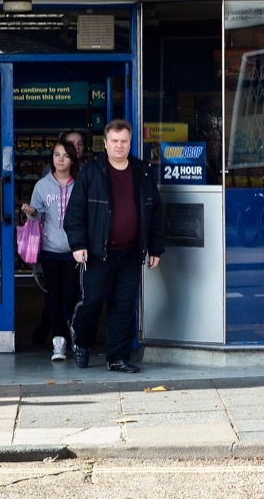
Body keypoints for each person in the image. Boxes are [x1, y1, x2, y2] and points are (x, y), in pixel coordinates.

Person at [64, 119, 164, 373]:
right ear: (105, 143)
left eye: (124, 141)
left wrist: (155, 248)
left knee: (124, 305)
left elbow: (155, 212)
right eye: (115, 141)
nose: (120, 146)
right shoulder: (92, 171)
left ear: (130, 143)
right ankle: (82, 342)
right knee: (93, 301)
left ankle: (117, 357)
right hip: (97, 254)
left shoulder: (142, 171)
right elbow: (75, 212)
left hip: (130, 253)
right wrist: (78, 244)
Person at [21, 138, 80, 361]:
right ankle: (59, 342)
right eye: (57, 155)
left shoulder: (80, 183)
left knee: (72, 296)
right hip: (50, 250)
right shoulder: (42, 185)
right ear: (52, 158)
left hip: (74, 249)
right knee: (54, 296)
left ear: (72, 159)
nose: (61, 159)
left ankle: (76, 336)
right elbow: (37, 215)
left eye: (65, 155)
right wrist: (31, 211)